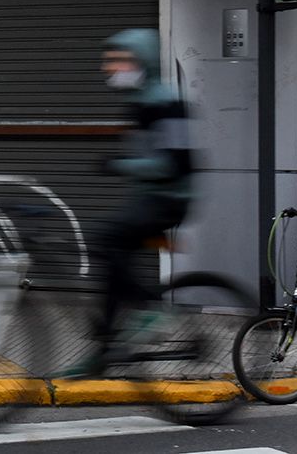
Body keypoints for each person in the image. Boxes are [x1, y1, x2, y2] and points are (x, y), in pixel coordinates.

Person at [64, 28, 194, 376]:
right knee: (110, 261)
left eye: (119, 60)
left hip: (170, 199)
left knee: (106, 239)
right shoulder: (143, 100)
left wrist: (119, 165)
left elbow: (174, 163)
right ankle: (104, 350)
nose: (111, 67)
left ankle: (150, 309)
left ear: (142, 61)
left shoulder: (165, 102)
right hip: (151, 196)